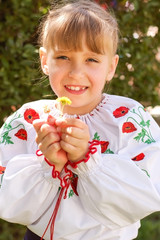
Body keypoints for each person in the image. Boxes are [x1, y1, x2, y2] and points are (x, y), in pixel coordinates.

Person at [0, 1, 160, 240]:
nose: (76, 72)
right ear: (45, 60)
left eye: (92, 60)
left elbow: (147, 191)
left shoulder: (129, 117)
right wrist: (48, 164)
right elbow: (7, 196)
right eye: (63, 56)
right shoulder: (27, 120)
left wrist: (87, 158)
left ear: (111, 67)